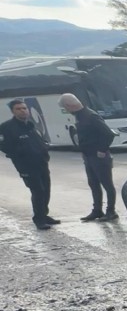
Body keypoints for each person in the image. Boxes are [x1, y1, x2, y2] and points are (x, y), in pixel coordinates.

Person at [58, 93, 118, 222]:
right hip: (88, 156)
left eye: (65, 108)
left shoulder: (91, 116)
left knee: (107, 184)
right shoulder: (79, 116)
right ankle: (97, 210)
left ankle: (111, 211)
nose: (66, 111)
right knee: (93, 184)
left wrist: (102, 150)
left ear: (69, 105)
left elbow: (108, 134)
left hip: (99, 157)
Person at [0, 98, 59, 230]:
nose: (23, 111)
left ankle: (44, 214)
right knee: (38, 191)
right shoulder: (6, 127)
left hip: (41, 163)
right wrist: (20, 153)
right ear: (13, 111)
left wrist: (44, 149)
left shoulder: (30, 124)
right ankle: (39, 219)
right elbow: (4, 146)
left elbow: (38, 140)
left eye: (24, 108)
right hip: (26, 165)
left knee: (46, 190)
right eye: (18, 109)